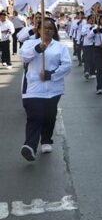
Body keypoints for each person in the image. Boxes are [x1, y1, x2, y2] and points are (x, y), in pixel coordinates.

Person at [19, 17, 72, 161]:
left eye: (50, 28)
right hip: (33, 88)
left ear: (54, 31)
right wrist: (37, 49)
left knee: (49, 116)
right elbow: (23, 57)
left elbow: (67, 66)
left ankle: (46, 139)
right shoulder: (30, 43)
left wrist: (51, 75)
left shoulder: (60, 47)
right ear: (39, 29)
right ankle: (29, 146)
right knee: (34, 116)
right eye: (44, 27)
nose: (47, 30)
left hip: (53, 89)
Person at [89, 13, 102, 94]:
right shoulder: (95, 27)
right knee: (100, 68)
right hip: (97, 50)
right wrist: (95, 31)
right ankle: (99, 86)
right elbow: (89, 36)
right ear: (99, 20)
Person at [81, 14, 96, 80]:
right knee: (87, 58)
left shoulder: (96, 26)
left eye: (93, 19)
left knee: (93, 59)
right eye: (91, 19)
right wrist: (90, 29)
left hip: (94, 44)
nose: (92, 20)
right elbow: (83, 33)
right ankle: (86, 71)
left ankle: (92, 72)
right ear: (88, 20)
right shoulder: (85, 26)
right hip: (86, 44)